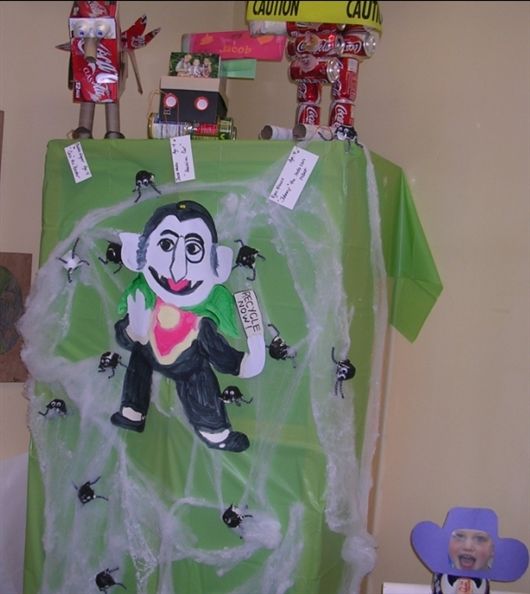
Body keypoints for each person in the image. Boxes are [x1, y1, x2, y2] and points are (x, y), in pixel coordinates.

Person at [110, 201, 265, 452]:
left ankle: (214, 430)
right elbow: (124, 336)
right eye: (166, 245)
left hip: (188, 366)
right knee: (139, 362)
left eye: (193, 248)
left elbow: (222, 356)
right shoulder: (145, 301)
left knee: (200, 381)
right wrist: (133, 331)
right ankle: (132, 409)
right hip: (148, 352)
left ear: (217, 263)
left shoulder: (201, 322)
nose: (177, 269)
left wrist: (253, 354)